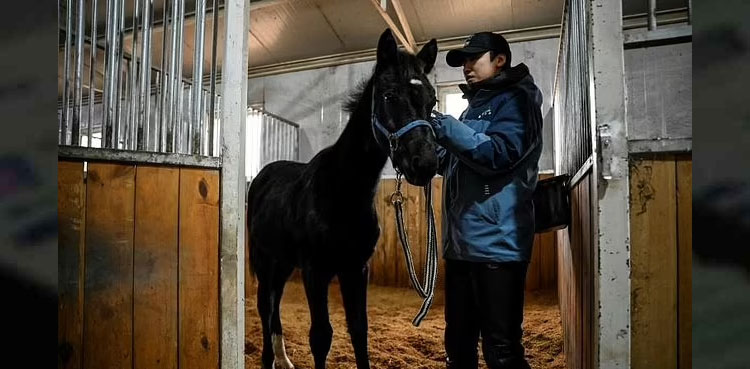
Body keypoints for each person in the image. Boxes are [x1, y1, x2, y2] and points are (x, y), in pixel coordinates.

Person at [428, 31, 543, 369]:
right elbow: (458, 161)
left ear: (500, 60)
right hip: (463, 244)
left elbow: (500, 153)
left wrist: (446, 129)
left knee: (501, 347)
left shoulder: (517, 100)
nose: (466, 67)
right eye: (463, 61)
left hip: (498, 244)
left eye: (473, 58)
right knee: (458, 342)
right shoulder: (473, 108)